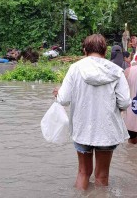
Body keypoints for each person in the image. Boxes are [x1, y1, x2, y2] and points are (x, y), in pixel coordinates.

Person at [52, 34, 131, 190]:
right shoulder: (116, 71)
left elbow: (63, 99)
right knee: (102, 176)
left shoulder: (75, 68)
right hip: (107, 130)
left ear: (85, 50)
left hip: (82, 129)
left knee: (83, 172)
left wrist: (58, 92)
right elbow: (125, 102)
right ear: (105, 51)